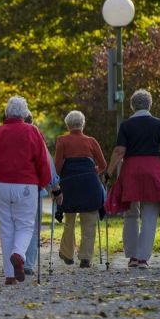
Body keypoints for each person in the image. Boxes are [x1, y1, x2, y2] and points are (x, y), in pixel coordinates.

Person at [0, 96, 51, 285]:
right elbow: (43, 161)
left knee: (6, 228)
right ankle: (18, 254)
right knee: (25, 225)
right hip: (26, 185)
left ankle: (10, 276)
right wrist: (43, 182)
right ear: (25, 113)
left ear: (7, 113)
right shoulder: (33, 131)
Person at [105, 89, 160, 269]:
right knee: (150, 215)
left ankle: (132, 257)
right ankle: (143, 258)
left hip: (131, 170)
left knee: (131, 213)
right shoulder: (158, 124)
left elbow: (119, 151)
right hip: (153, 170)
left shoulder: (126, 125)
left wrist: (109, 171)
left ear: (132, 106)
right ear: (149, 104)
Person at [54, 110, 107, 268]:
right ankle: (85, 257)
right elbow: (103, 165)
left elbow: (57, 168)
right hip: (89, 184)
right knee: (90, 220)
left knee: (69, 220)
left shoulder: (62, 140)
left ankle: (67, 253)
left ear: (68, 125)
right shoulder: (91, 141)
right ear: (82, 124)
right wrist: (92, 172)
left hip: (69, 185)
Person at [23, 112, 62, 275]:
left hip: (8, 186)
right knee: (32, 226)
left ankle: (15, 259)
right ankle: (28, 263)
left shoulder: (4, 134)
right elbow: (47, 163)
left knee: (14, 225)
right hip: (33, 187)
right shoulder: (36, 136)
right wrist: (56, 188)